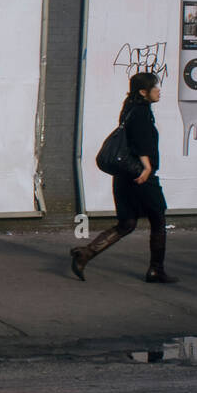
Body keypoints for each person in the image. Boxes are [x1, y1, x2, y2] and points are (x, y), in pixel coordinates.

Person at [70, 72, 176, 283]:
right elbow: (141, 142)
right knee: (158, 218)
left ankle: (86, 253)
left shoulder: (128, 108)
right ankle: (156, 270)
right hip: (140, 176)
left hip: (123, 176)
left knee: (127, 223)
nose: (159, 91)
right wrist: (146, 167)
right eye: (155, 88)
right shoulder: (142, 112)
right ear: (143, 92)